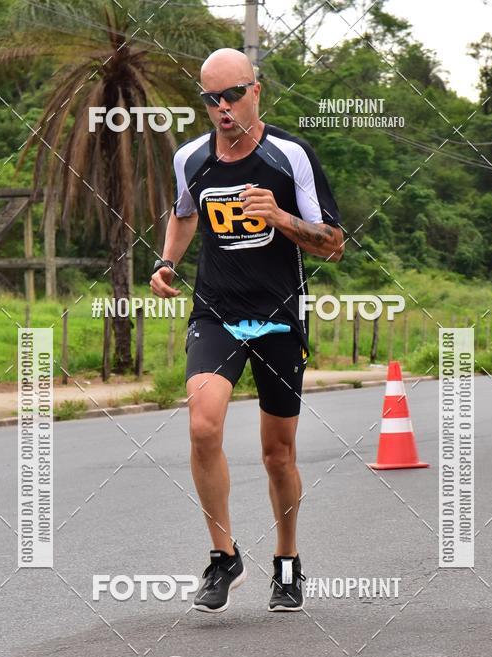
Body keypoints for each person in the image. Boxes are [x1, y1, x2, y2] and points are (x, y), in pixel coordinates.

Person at [150, 48, 343, 613]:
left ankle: (287, 560)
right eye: (211, 99)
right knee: (203, 424)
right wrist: (166, 263)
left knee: (277, 454)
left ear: (255, 91)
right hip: (217, 313)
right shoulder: (190, 158)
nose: (222, 108)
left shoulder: (290, 156)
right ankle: (223, 556)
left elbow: (333, 244)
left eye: (232, 95)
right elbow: (186, 212)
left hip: (280, 316)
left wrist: (280, 217)